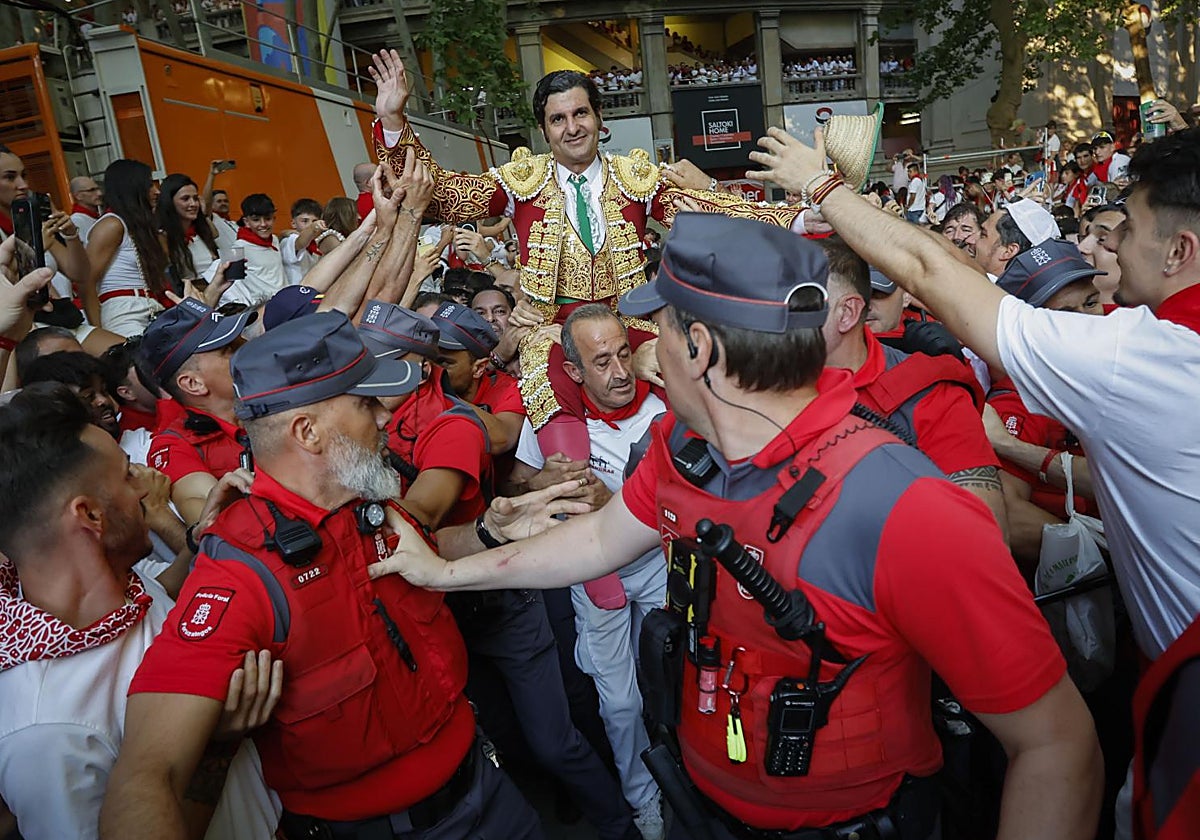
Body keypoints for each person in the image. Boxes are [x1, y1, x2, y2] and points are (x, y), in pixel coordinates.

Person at [370, 214, 1102, 840]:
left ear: (700, 349)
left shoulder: (906, 507)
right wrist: (445, 572)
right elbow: (596, 540)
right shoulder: (681, 450)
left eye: (657, 327)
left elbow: (1056, 748)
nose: (646, 348)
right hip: (705, 806)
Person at [99, 312, 547, 840]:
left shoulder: (365, 501)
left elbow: (413, 555)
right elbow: (146, 778)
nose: (384, 417)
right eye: (364, 404)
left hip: (486, 788)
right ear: (307, 432)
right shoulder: (240, 576)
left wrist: (488, 530)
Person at [367, 50, 813, 467]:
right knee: (550, 391)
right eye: (558, 119)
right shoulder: (521, 181)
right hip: (550, 328)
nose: (572, 127)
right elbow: (442, 196)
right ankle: (574, 489)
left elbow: (708, 213)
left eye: (580, 113)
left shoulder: (636, 177)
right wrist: (393, 121)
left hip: (628, 323)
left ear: (599, 118)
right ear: (544, 130)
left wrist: (798, 219)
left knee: (690, 379)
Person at [0, 383, 281, 840]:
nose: (145, 484)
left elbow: (157, 601)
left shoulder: (113, 586)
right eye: (128, 474)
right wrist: (216, 745)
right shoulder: (46, 733)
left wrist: (202, 538)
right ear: (90, 516)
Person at [509, 304, 668, 838]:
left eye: (624, 354)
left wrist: (615, 504)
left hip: (660, 565)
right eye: (602, 362)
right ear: (574, 372)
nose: (620, 372)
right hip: (594, 580)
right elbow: (513, 486)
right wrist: (540, 484)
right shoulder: (553, 422)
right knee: (620, 703)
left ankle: (687, 774)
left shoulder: (663, 403)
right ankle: (643, 798)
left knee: (673, 676)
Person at [141, 297, 256, 525]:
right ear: (193, 384)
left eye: (240, 338)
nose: (246, 346)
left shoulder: (277, 391)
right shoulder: (176, 446)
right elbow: (208, 521)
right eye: (229, 349)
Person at [85, 159, 170, 336]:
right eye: (149, 185)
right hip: (123, 311)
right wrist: (98, 332)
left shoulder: (140, 227)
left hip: (151, 306)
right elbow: (85, 281)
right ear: (132, 188)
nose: (157, 191)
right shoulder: (111, 224)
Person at [157, 173, 219, 286]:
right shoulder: (163, 236)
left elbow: (215, 234)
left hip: (219, 290)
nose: (193, 204)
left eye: (195, 198)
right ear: (169, 202)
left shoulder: (202, 231)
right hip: (190, 293)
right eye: (185, 199)